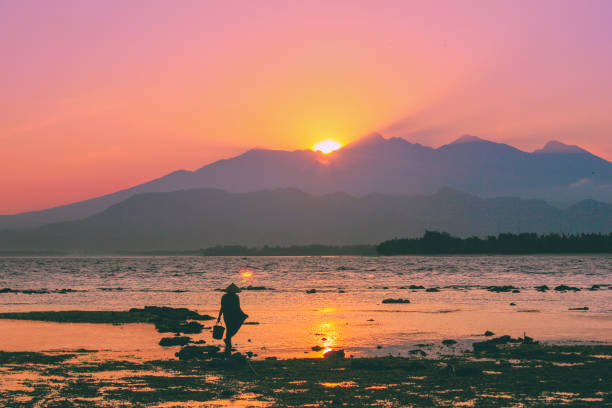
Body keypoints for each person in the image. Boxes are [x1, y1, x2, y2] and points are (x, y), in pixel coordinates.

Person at [217, 283, 248, 355]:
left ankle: (228, 341)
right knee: (232, 328)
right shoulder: (236, 297)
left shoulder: (224, 297)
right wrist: (242, 314)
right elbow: (238, 307)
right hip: (233, 314)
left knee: (229, 328)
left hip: (226, 315)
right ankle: (228, 341)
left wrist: (219, 316)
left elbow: (222, 307)